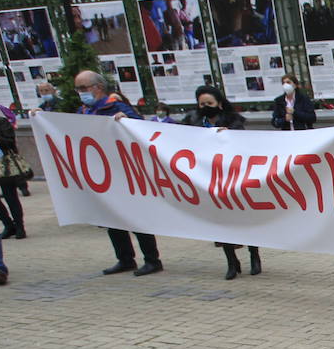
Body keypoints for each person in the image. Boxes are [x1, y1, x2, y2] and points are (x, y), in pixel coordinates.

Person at [60, 72, 163, 275]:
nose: (80, 93)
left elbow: (140, 128)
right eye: (78, 89)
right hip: (102, 173)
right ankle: (125, 259)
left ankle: (152, 260)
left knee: (137, 217)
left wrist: (127, 120)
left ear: (97, 87)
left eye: (83, 88)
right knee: (111, 218)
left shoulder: (117, 107)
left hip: (124, 172)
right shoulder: (83, 111)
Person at [180, 86, 260, 280]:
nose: (206, 107)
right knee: (221, 220)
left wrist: (229, 136)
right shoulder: (193, 123)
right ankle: (232, 261)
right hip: (208, 178)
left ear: (219, 104)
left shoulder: (234, 122)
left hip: (233, 176)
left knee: (244, 217)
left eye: (210, 103)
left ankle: (254, 254)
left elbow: (244, 146)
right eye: (202, 104)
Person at [0, 105, 27, 240]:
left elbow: (10, 142)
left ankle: (19, 226)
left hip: (4, 165)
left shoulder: (1, 122)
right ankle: (8, 225)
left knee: (10, 197)